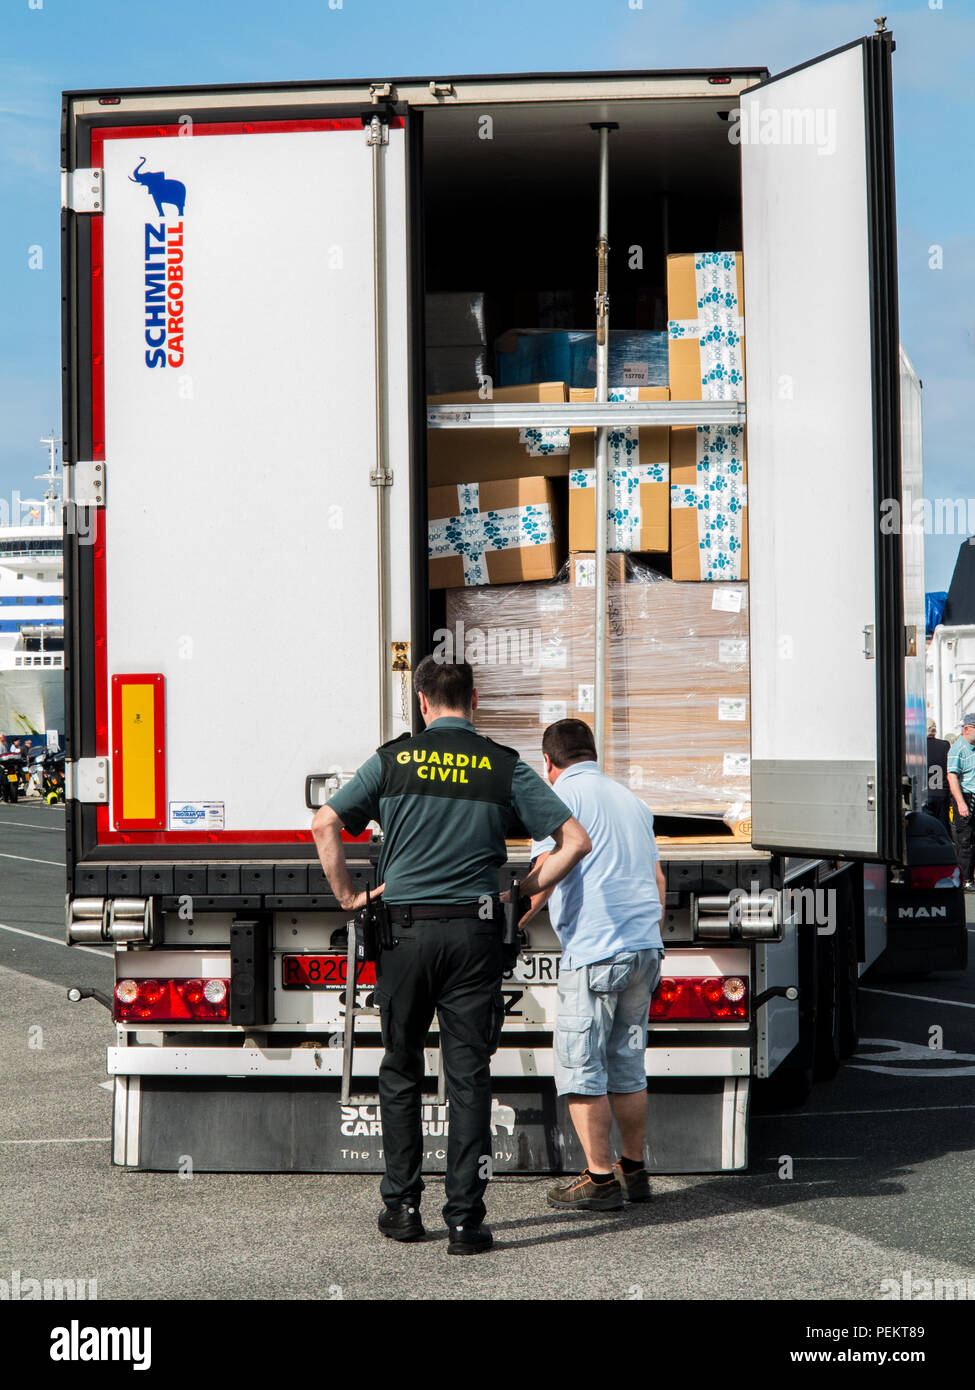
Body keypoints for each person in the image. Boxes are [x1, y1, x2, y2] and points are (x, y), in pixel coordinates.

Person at [312, 657, 591, 1254]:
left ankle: (403, 1208)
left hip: (404, 936)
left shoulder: (392, 761)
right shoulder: (502, 765)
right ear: (475, 700)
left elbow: (325, 822)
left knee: (401, 1068)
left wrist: (347, 898)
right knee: (468, 1078)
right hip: (474, 938)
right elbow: (576, 842)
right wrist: (521, 894)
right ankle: (466, 1221)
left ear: (421, 702)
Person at [519, 718, 665, 1212]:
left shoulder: (559, 801)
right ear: (592, 753)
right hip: (644, 948)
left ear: (548, 762)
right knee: (627, 1063)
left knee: (582, 1067)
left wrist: (507, 920)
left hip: (596, 952)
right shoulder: (632, 801)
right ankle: (634, 1169)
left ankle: (600, 1180)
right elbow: (657, 877)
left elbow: (544, 877)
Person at [947, 713, 975, 888]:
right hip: (965, 796)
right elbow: (952, 776)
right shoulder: (958, 748)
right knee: (966, 840)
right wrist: (961, 802)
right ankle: (965, 879)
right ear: (967, 729)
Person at [925, 719, 952, 833]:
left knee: (926, 830)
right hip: (942, 792)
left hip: (925, 794)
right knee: (943, 829)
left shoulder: (919, 748)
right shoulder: (945, 745)